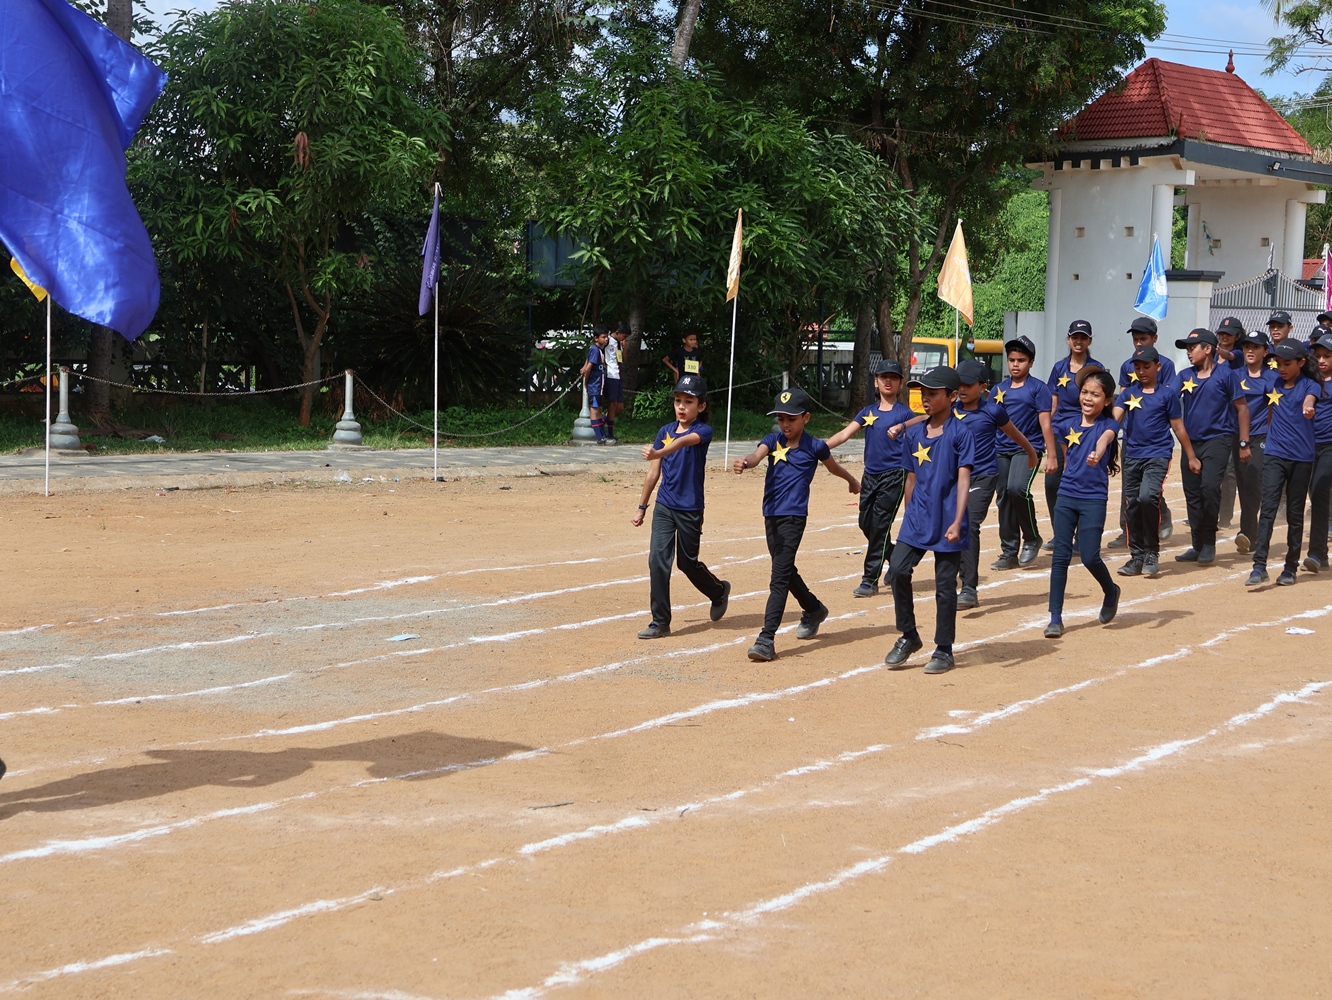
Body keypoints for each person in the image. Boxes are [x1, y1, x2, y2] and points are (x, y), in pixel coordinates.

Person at [733, 387, 860, 662]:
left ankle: (766, 639)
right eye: (781, 419)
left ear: (806, 418)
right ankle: (813, 609)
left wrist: (851, 481)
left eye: (791, 419)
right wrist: (746, 461)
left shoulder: (815, 446)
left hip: (794, 518)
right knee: (785, 569)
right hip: (771, 515)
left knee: (778, 577)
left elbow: (833, 467)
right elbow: (756, 456)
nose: (785, 424)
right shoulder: (772, 440)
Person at [884, 366, 976, 675]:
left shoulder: (961, 433)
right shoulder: (913, 434)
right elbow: (910, 479)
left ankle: (944, 649)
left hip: (949, 518)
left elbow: (964, 480)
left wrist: (958, 520)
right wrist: (909, 515)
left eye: (932, 394)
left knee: (945, 586)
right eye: (922, 393)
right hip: (917, 518)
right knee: (897, 570)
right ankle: (909, 635)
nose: (925, 398)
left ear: (951, 397)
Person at [633, 375, 730, 639]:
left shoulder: (702, 431)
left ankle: (718, 591)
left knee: (687, 563)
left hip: (689, 508)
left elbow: (684, 442)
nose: (682, 406)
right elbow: (654, 473)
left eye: (689, 401)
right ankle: (660, 622)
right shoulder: (664, 431)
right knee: (657, 561)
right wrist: (642, 506)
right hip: (664, 505)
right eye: (678, 401)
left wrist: (658, 452)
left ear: (701, 406)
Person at [953, 359, 1038, 609]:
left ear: (983, 386)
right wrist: (903, 426)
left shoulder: (993, 411)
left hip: (984, 475)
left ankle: (969, 589)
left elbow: (1015, 434)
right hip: (955, 479)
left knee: (968, 524)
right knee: (951, 527)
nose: (963, 389)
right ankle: (956, 577)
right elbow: (925, 422)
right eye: (959, 385)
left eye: (968, 385)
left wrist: (1031, 453)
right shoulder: (950, 409)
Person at [824, 359, 914, 597]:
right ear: (875, 381)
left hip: (894, 475)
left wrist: (904, 425)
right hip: (870, 475)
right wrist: (819, 447)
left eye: (893, 377)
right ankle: (896, 558)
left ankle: (869, 580)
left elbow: (923, 421)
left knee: (880, 526)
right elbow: (844, 434)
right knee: (866, 523)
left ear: (900, 383)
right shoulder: (868, 412)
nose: (888, 381)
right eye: (883, 377)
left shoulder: (905, 413)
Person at [1044, 367, 1122, 638]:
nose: (1088, 398)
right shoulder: (1068, 424)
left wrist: (1097, 454)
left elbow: (1105, 440)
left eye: (1096, 394)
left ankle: (1111, 591)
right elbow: (1060, 444)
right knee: (1060, 557)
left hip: (1093, 499)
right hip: (1067, 496)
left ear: (1107, 400)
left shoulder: (1109, 424)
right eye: (1085, 392)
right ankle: (1055, 617)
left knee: (1089, 556)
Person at [1112, 344, 1199, 579]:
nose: (1141, 371)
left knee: (1148, 497)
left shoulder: (1167, 395)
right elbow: (1114, 419)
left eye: (1146, 366)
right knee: (1132, 504)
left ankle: (1152, 552)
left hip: (1158, 455)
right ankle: (1136, 556)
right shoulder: (1129, 393)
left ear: (1158, 367)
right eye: (1137, 367)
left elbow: (1178, 427)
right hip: (1132, 456)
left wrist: (1191, 456)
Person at [1172, 328, 1250, 564]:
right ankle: (1196, 545)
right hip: (1191, 444)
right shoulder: (1184, 376)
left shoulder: (1226, 376)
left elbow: (1242, 408)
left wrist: (1244, 442)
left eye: (1192, 348)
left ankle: (1208, 543)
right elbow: (1166, 399)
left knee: (1208, 488)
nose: (1188, 353)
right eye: (1186, 349)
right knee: (1192, 493)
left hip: (1218, 440)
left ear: (1208, 349)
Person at [1247, 339, 1321, 586]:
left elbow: (1310, 399)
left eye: (1287, 363)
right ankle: (1259, 566)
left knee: (1295, 514)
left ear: (1301, 363)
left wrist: (1308, 408)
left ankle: (1290, 568)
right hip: (1275, 454)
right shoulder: (1272, 381)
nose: (1282, 367)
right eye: (1278, 362)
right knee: (1267, 509)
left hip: (1301, 458)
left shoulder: (1311, 385)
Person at [1108, 316, 1176, 549]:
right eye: (1136, 339)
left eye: (1144, 339)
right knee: (1130, 487)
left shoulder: (1164, 365)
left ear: (1154, 339)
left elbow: (1167, 397)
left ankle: (1161, 515)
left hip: (1155, 439)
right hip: (1131, 435)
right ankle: (1126, 528)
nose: (1139, 344)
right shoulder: (1128, 366)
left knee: (1149, 490)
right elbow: (1124, 397)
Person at [990, 335, 1056, 569]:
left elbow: (1046, 423)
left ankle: (1031, 537)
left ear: (1032, 362)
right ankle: (1009, 551)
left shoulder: (1039, 389)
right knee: (1004, 497)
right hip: (1000, 450)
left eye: (1021, 360)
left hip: (1028, 449)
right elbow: (990, 422)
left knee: (1017, 489)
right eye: (1012, 360)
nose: (1016, 364)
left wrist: (1051, 454)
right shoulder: (998, 389)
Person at [1043, 319, 1104, 550]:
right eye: (1075, 337)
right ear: (1068, 340)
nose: (1079, 341)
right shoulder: (1059, 368)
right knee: (1052, 483)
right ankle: (1061, 533)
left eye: (1083, 337)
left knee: (1082, 481)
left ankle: (1081, 536)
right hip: (1061, 431)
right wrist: (1047, 432)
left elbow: (1101, 401)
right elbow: (1052, 404)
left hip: (1087, 431)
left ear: (1089, 340)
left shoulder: (1095, 367)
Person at [1233, 329, 1279, 554]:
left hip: (1261, 436)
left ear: (1265, 351)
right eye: (1247, 347)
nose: (1250, 351)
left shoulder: (1272, 378)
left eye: (1256, 347)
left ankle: (1246, 532)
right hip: (1236, 436)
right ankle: (1252, 530)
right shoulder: (1235, 376)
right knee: (1243, 485)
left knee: (1252, 479)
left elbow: (1275, 409)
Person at [1215, 316, 1246, 528]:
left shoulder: (1238, 355)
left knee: (1228, 472)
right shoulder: (1211, 359)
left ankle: (1224, 517)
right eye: (1222, 333)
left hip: (1232, 421)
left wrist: (1214, 350)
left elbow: (1230, 356)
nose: (1225, 336)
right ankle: (1209, 511)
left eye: (1229, 333)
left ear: (1237, 336)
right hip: (1214, 419)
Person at [1305, 329, 1332, 573]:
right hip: (1307, 446)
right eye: (1319, 356)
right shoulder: (1310, 381)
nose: (1322, 360)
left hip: (1330, 447)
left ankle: (1316, 552)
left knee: (1320, 491)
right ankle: (1318, 553)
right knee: (1314, 496)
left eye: (1328, 356)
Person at [580, 326, 610, 444]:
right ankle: (599, 437)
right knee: (595, 410)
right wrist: (586, 382)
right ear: (596, 338)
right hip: (594, 385)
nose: (606, 339)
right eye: (603, 337)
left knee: (599, 410)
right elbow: (589, 367)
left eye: (607, 337)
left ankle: (602, 434)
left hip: (600, 385)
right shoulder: (594, 349)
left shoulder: (599, 350)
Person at [603, 321, 628, 444]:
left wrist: (624, 345)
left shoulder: (620, 343)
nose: (624, 338)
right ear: (617, 333)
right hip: (610, 374)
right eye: (624, 336)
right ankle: (610, 433)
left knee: (619, 406)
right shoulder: (607, 341)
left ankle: (601, 421)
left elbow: (623, 358)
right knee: (612, 403)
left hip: (618, 374)